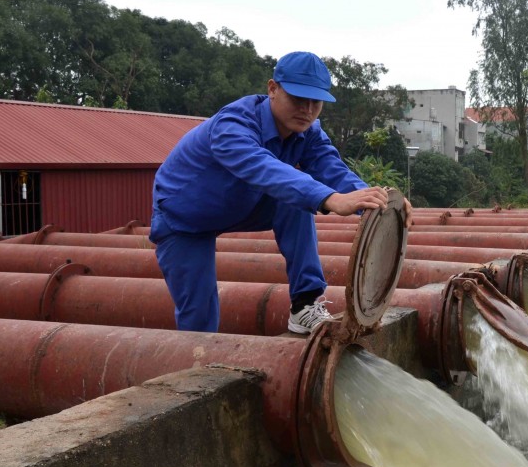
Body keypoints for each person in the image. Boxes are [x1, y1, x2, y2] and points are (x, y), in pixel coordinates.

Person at [150, 51, 410, 334]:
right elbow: (264, 169)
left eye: (316, 102)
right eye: (298, 99)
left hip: (241, 204)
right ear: (272, 89)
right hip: (185, 217)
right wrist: (332, 199)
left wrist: (374, 199)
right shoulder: (232, 125)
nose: (307, 110)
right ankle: (194, 365)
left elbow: (330, 166)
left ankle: (304, 304)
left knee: (295, 200)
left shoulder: (308, 131)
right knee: (199, 315)